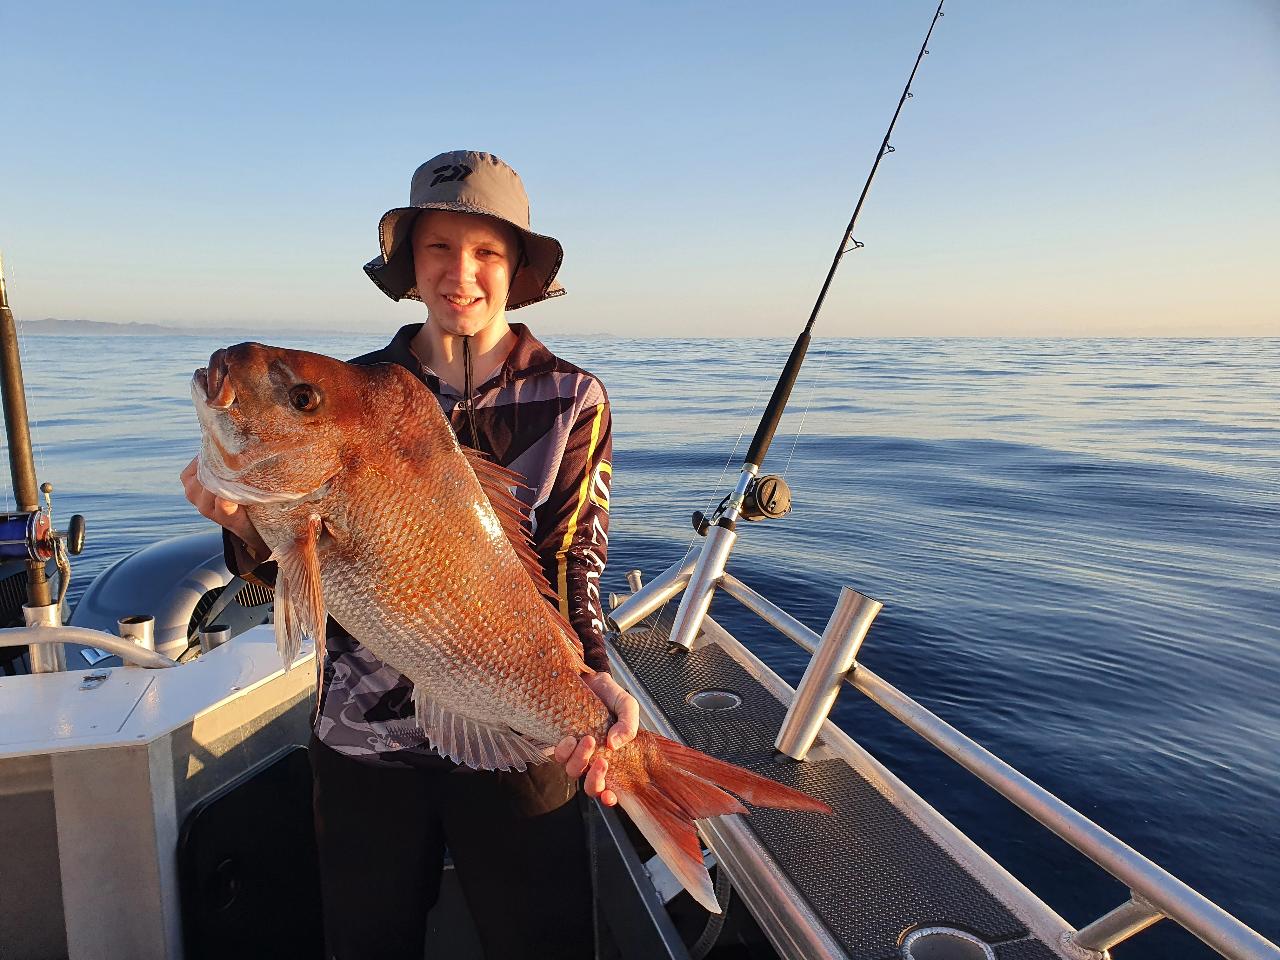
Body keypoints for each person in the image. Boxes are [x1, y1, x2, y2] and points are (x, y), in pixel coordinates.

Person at [181, 150, 638, 959]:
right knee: (367, 942)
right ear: (410, 263)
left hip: (516, 732)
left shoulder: (573, 397)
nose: (460, 272)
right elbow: (275, 572)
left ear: (517, 267)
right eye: (438, 247)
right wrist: (242, 521)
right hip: (363, 742)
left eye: (487, 251)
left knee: (544, 943)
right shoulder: (358, 389)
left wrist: (590, 674)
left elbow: (573, 558)